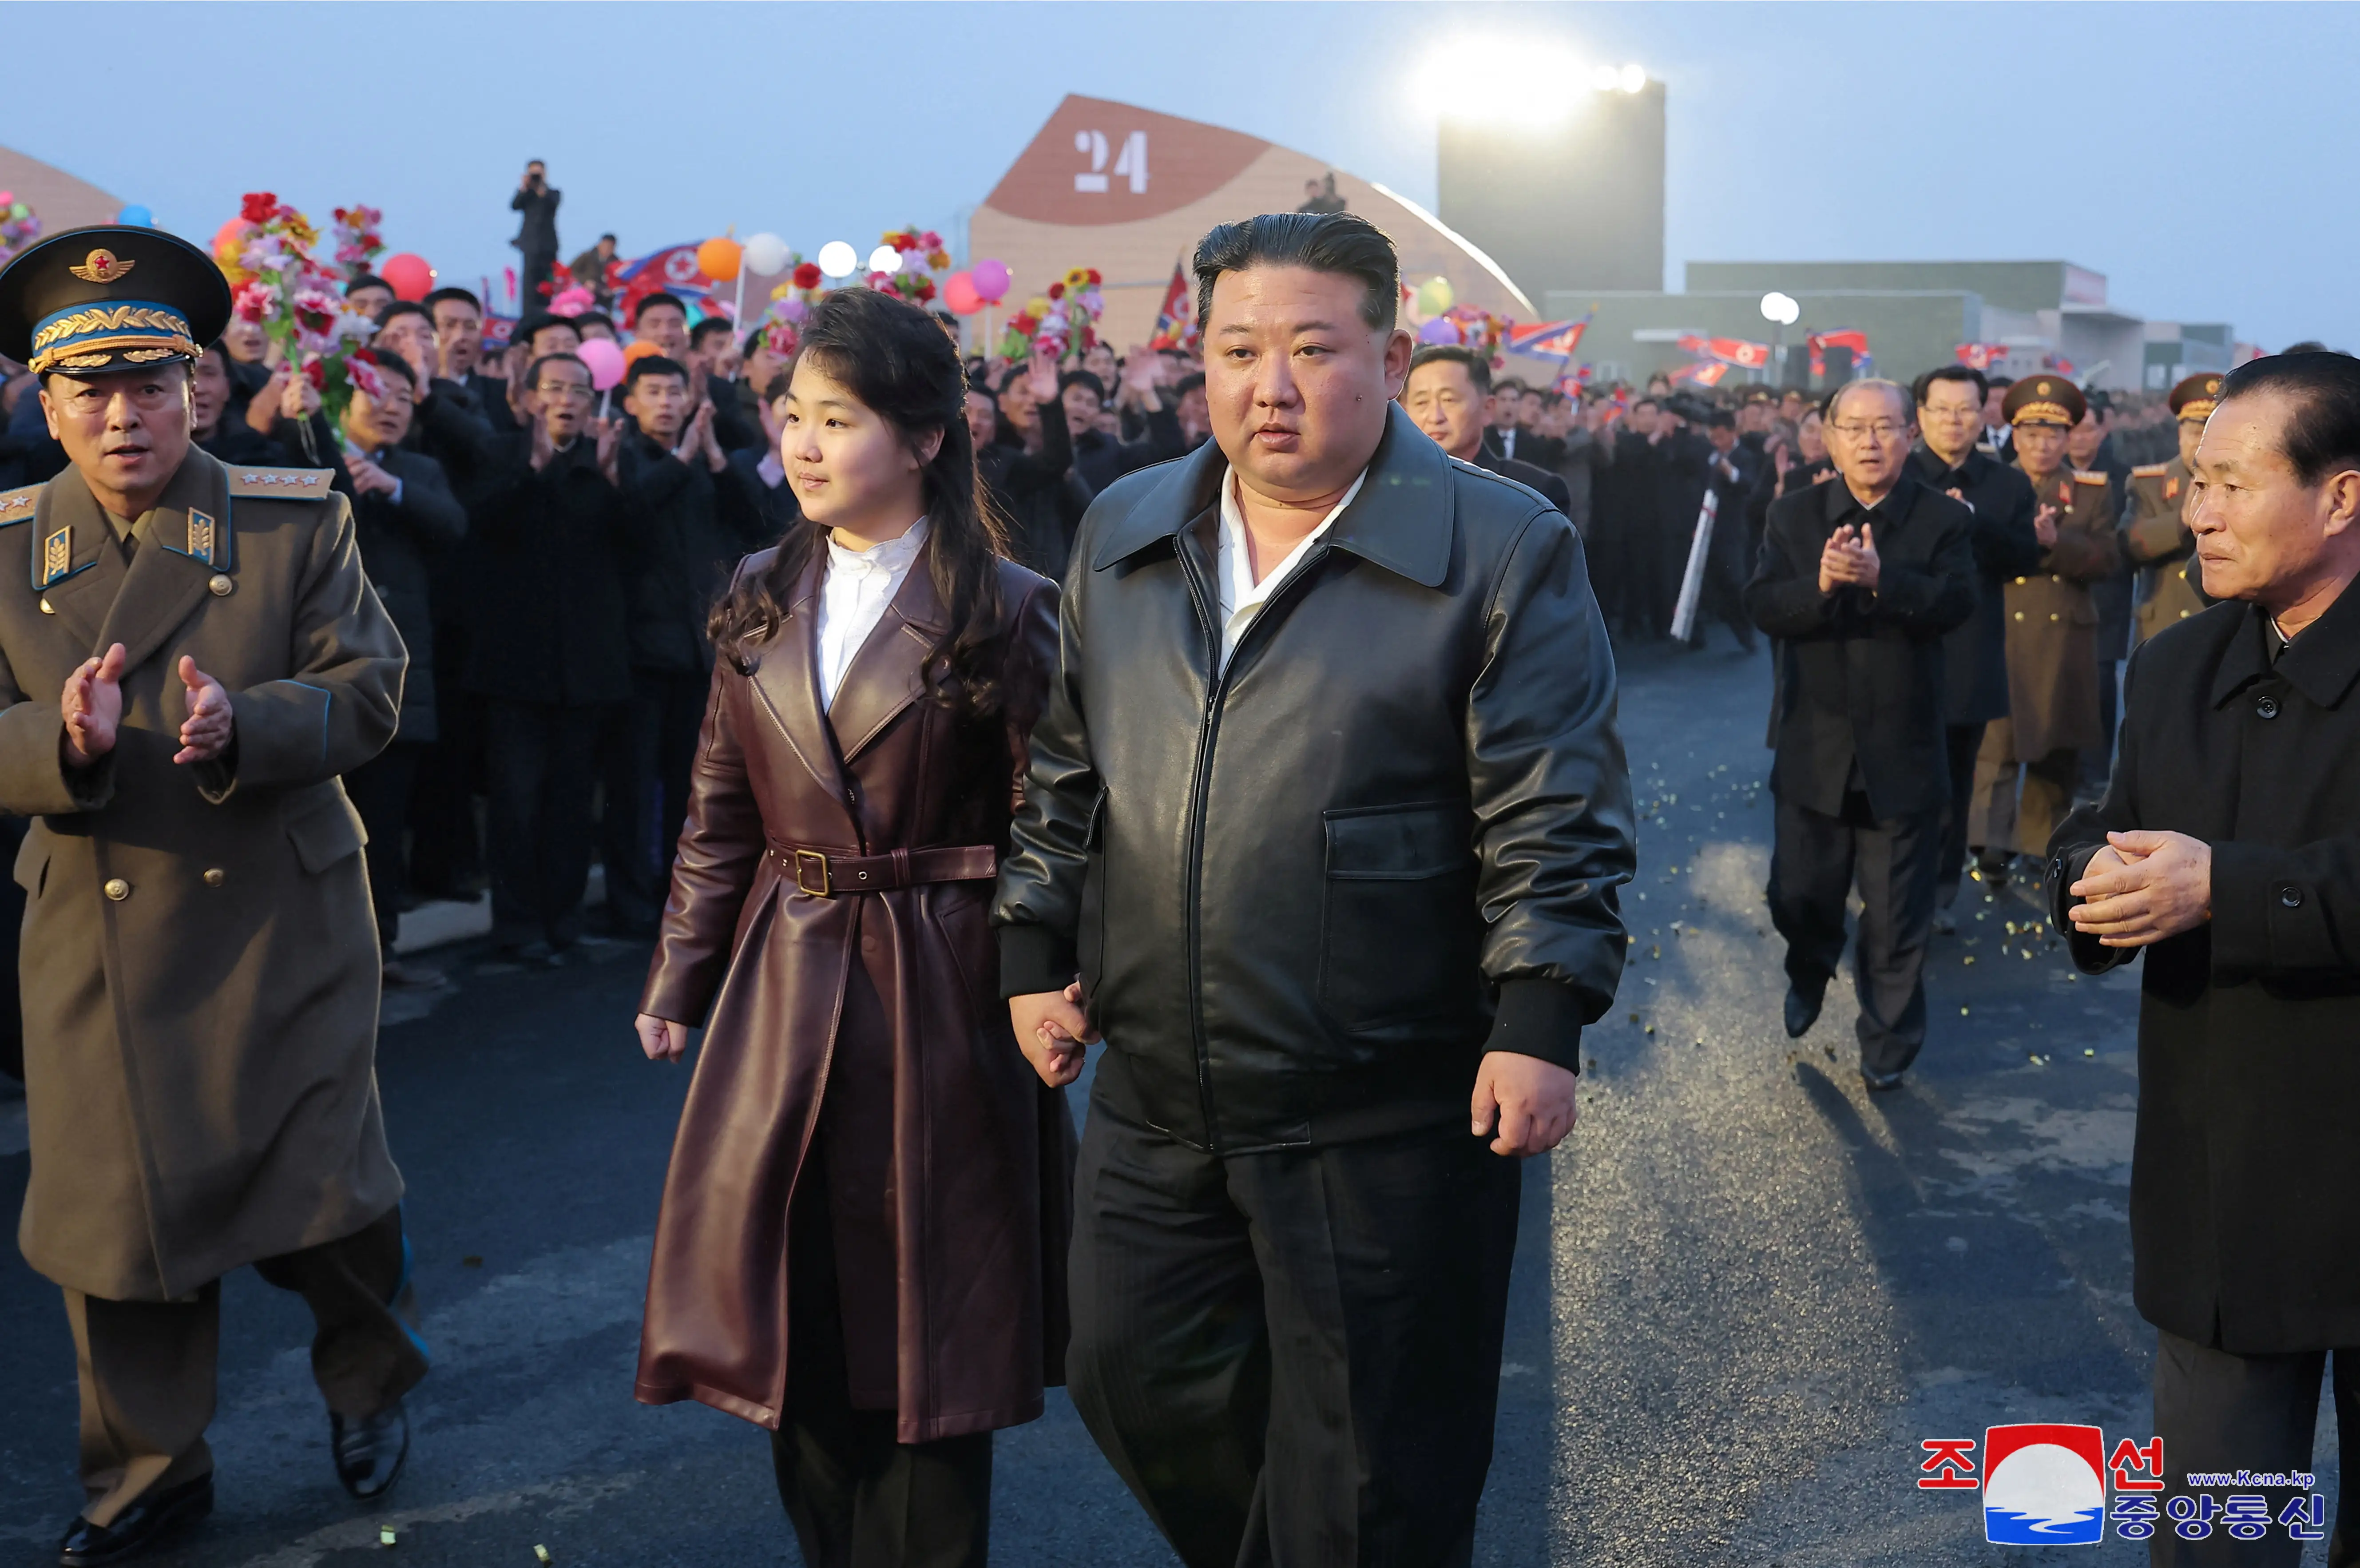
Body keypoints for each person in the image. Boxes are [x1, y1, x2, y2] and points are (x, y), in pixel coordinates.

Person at [993, 211, 1633, 1566]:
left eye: (1308, 348)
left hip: (1387, 1099)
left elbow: (1553, 806)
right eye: (1235, 349)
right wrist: (1030, 941)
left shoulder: (1497, 545)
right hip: (1159, 1086)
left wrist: (1537, 1014)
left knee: (1375, 1467)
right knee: (1125, 1372)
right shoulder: (1124, 526)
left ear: (1391, 355)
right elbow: (1067, 765)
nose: (1266, 386)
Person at [0, 223, 420, 1562]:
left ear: (201, 393)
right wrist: (54, 745)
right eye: (91, 392)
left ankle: (368, 1377)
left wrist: (252, 723)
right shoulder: (10, 546)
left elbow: (372, 692)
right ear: (45, 404)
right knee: (115, 1222)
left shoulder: (296, 521)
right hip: (97, 924)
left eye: (152, 387)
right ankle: (147, 1472)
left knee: (325, 1203)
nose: (125, 417)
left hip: (280, 925)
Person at [632, 287, 1071, 1568]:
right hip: (783, 983)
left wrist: (1049, 980)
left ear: (929, 435)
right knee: (799, 1317)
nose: (804, 445)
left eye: (840, 417)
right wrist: (680, 975)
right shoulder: (761, 585)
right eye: (793, 415)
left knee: (934, 1338)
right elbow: (720, 807)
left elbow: (1057, 819)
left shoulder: (1008, 603)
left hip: (946, 987)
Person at [2046, 351, 2360, 1561]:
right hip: (2224, 1201)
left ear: (2340, 497)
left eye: (2228, 483)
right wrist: (2092, 885)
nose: (2195, 511)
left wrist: (2221, 888)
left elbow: (2217, 877)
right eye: (2190, 482)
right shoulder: (2181, 663)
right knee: (2218, 1536)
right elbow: (2112, 829)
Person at [1744, 378, 1978, 1088]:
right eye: (1854, 428)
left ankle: (1886, 1045)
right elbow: (1760, 603)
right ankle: (1808, 968)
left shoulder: (1943, 519)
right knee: (1800, 896)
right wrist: (1820, 583)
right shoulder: (1792, 515)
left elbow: (1955, 603)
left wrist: (1883, 579)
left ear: (1910, 435)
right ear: (1827, 435)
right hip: (1813, 748)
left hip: (1901, 752)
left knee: (1894, 920)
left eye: (1884, 427)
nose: (1869, 441)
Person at [464, 352, 631, 960]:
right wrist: (532, 471)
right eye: (554, 388)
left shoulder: (606, 462)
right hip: (516, 666)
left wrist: (614, 483)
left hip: (588, 670)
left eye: (578, 391)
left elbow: (632, 549)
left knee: (568, 804)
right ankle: (517, 926)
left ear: (592, 403)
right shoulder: (499, 454)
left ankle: (563, 922)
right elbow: (481, 528)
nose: (566, 399)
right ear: (527, 397)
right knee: (515, 803)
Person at [323, 347, 468, 986]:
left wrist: (394, 488)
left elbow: (453, 526)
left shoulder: (419, 468)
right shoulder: (314, 454)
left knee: (384, 824)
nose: (389, 408)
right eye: (374, 394)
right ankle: (323, 955)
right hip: (323, 668)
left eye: (403, 399)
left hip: (399, 676)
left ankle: (381, 949)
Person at [607, 354, 766, 931]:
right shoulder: (622, 457)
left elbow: (756, 516)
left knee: (691, 786)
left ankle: (684, 902)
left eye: (676, 392)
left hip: (699, 651)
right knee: (631, 787)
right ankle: (629, 906)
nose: (667, 402)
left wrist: (716, 458)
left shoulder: (704, 461)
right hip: (639, 653)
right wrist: (683, 457)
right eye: (654, 392)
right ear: (630, 401)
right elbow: (629, 512)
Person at [1969, 377, 2121, 885]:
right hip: (2000, 628)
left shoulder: (2088, 491)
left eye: (2053, 434)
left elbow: (2108, 558)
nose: (2042, 444)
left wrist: (2059, 543)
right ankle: (1988, 846)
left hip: (2063, 636)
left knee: (2055, 750)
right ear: (2012, 434)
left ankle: (2041, 844)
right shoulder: (1988, 485)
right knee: (1996, 747)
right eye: (2031, 433)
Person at [1908, 365, 2045, 929]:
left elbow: (2023, 556)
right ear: (1919, 416)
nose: (1953, 421)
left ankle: (1937, 892)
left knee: (1952, 782)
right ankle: (1889, 884)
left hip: (1970, 653)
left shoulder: (2007, 485)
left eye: (1965, 410)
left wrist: (1971, 520)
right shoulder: (1897, 473)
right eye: (1941, 409)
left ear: (1983, 415)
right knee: (1894, 777)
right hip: (1902, 650)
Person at [1402, 343, 1572, 515]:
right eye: (1422, 403)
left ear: (1487, 409)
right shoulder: (1388, 486)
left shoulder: (1534, 493)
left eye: (1449, 400)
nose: (1435, 417)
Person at [2124, 372, 2220, 648]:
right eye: (2194, 433)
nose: (2202, 443)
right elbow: (2129, 544)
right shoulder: (2149, 484)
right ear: (2180, 434)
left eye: (2211, 433)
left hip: (2220, 621)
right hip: (2163, 623)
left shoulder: (2245, 485)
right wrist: (2179, 521)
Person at [980, 351, 1075, 579]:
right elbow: (1053, 462)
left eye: (1038, 395)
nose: (1033, 400)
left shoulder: (1061, 443)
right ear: (1001, 401)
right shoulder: (992, 457)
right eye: (1024, 392)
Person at [511, 160, 561, 305]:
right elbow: (514, 206)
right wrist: (524, 187)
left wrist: (541, 188)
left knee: (548, 284)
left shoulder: (553, 193)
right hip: (530, 247)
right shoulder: (527, 194)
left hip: (549, 247)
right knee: (529, 287)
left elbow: (552, 204)